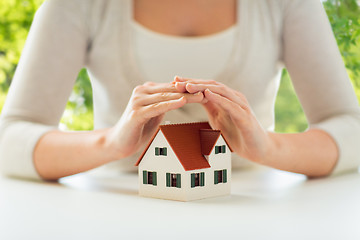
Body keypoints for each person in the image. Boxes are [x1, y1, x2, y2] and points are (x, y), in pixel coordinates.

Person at [0, 0, 359, 181]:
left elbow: (350, 127)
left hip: (252, 211)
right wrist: (110, 143)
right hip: (114, 211)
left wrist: (268, 146)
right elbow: (10, 136)